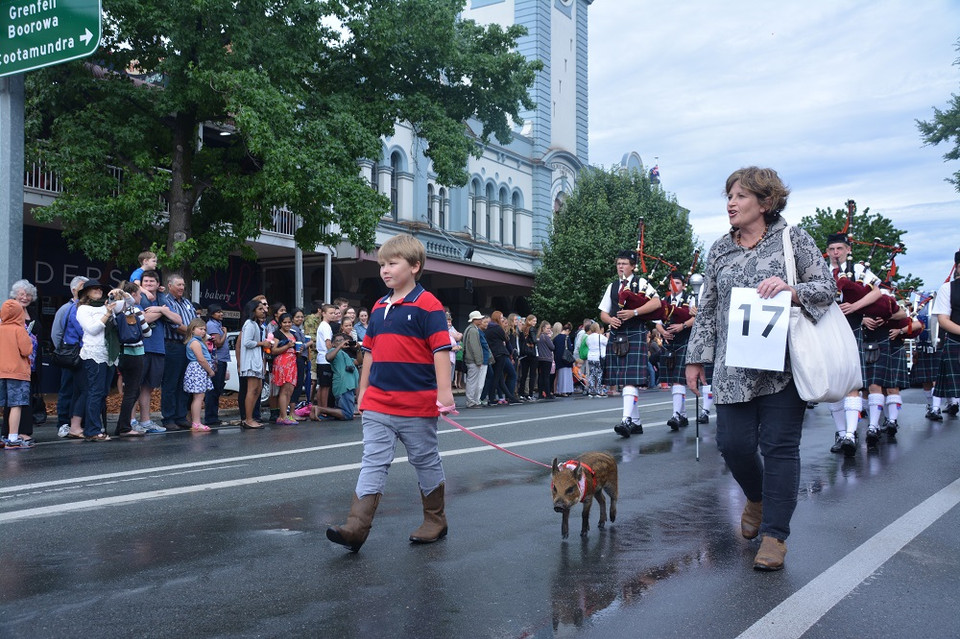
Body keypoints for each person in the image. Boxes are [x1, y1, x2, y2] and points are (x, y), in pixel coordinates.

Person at [685, 166, 834, 571]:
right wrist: (696, 358)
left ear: (766, 203)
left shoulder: (793, 239)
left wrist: (792, 290)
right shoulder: (719, 249)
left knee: (781, 449)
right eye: (729, 196)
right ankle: (757, 496)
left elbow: (826, 287)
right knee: (732, 445)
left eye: (740, 196)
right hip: (734, 367)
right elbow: (709, 308)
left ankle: (775, 538)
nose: (731, 203)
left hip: (783, 366)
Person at [327, 233, 454, 552]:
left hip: (417, 404)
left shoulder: (429, 305)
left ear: (414, 266)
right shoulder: (380, 307)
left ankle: (435, 520)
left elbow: (440, 350)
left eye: (392, 263)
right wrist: (363, 391)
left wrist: (445, 393)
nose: (384, 269)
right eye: (382, 264)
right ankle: (356, 527)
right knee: (373, 461)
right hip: (379, 404)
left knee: (425, 460)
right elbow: (368, 353)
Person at [598, 250, 661, 437]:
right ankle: (636, 422)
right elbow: (603, 312)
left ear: (633, 266)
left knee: (629, 381)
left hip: (635, 333)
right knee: (626, 381)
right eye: (618, 263)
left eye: (624, 263)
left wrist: (634, 313)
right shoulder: (612, 286)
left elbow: (656, 303)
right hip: (618, 335)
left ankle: (626, 420)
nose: (620, 267)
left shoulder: (641, 283)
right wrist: (610, 320)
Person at [68, 280, 121, 442]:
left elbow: (128, 304)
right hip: (94, 354)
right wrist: (106, 314)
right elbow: (92, 329)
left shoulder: (107, 305)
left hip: (109, 354)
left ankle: (97, 427)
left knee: (103, 392)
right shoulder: (83, 309)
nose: (98, 290)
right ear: (86, 293)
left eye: (100, 288)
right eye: (94, 288)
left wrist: (120, 293)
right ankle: (92, 429)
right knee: (95, 392)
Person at [136, 270, 179, 434]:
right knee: (135, 386)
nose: (148, 284)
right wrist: (162, 311)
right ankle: (131, 420)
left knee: (148, 387)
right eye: (145, 281)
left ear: (158, 284)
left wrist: (158, 310)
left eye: (151, 281)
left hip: (158, 348)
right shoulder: (137, 296)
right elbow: (143, 319)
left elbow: (178, 319)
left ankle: (145, 421)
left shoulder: (162, 297)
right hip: (141, 347)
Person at [656, 271, 698, 431]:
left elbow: (696, 317)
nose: (675, 286)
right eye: (672, 283)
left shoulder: (690, 298)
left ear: (683, 285)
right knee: (674, 379)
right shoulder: (663, 300)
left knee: (679, 380)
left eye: (678, 283)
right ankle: (683, 415)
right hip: (669, 343)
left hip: (684, 341)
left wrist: (683, 326)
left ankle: (676, 415)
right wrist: (663, 332)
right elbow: (657, 321)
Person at [113, 282, 152, 438]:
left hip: (121, 354)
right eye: (139, 294)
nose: (141, 296)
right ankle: (124, 427)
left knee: (128, 390)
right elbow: (147, 333)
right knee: (132, 391)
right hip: (135, 353)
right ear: (133, 294)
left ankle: (121, 425)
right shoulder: (135, 310)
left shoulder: (116, 309)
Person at [159, 273, 197, 430]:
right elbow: (175, 325)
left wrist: (195, 332)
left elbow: (196, 321)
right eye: (178, 285)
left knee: (184, 383)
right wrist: (194, 333)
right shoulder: (166, 302)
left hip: (188, 345)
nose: (182, 287)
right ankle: (168, 418)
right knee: (170, 383)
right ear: (169, 286)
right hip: (173, 345)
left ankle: (181, 416)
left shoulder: (187, 302)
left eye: (183, 285)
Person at [53, 275, 88, 437]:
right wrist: (64, 353)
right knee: (67, 388)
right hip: (70, 355)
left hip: (86, 355)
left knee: (82, 390)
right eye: (83, 287)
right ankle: (63, 423)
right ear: (74, 290)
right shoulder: (66, 309)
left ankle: (80, 423)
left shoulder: (88, 308)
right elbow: (56, 334)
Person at [0, 300, 36, 449]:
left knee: (2, 404)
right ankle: (13, 438)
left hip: (1, 371)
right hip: (17, 372)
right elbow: (26, 350)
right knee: (16, 405)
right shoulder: (19, 329)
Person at [931, 251, 960, 418]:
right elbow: (943, 320)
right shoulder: (947, 288)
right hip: (956, 343)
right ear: (956, 268)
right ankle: (937, 407)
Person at [315, 333, 360, 421]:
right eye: (338, 341)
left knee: (346, 412)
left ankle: (318, 410)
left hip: (349, 385)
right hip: (342, 385)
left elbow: (358, 362)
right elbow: (328, 357)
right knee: (347, 415)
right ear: (333, 344)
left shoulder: (344, 354)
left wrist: (358, 349)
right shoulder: (333, 350)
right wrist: (339, 347)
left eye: (342, 340)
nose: (341, 342)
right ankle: (320, 409)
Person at [182, 318, 215, 432]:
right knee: (198, 397)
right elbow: (201, 359)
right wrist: (210, 371)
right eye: (200, 329)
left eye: (204, 329)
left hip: (199, 370)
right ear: (192, 330)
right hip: (198, 369)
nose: (203, 332)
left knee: (199, 396)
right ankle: (196, 422)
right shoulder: (195, 343)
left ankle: (195, 421)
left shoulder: (198, 341)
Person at [485, 310, 521, 405]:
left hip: (493, 354)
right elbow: (506, 340)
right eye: (501, 318)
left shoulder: (488, 329)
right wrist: (511, 353)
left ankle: (507, 396)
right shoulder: (498, 328)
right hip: (501, 353)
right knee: (499, 377)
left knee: (499, 377)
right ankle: (497, 398)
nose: (502, 319)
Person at [203, 303, 230, 426]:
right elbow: (218, 343)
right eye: (218, 312)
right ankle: (211, 417)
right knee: (213, 390)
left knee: (218, 388)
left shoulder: (217, 324)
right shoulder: (212, 325)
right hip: (216, 360)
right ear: (212, 313)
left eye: (221, 311)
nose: (221, 314)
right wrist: (225, 333)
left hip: (222, 359)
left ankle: (214, 416)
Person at [270, 312, 298, 424]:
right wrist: (287, 346)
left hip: (292, 363)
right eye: (284, 322)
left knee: (290, 390)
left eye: (289, 322)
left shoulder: (293, 334)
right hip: (283, 363)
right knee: (284, 390)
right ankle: (282, 416)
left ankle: (285, 415)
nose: (287, 324)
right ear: (280, 323)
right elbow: (273, 350)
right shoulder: (277, 334)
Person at [311, 303, 338, 420]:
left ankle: (321, 408)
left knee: (322, 386)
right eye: (330, 313)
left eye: (333, 313)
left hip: (321, 359)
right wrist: (333, 350)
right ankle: (324, 409)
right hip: (325, 359)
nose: (332, 315)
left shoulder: (323, 325)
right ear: (323, 313)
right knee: (325, 387)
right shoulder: (326, 326)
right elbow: (328, 344)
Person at [461, 310, 487, 408]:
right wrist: (478, 360)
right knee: (472, 381)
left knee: (472, 380)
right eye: (479, 318)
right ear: (474, 320)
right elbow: (475, 346)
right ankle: (471, 401)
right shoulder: (473, 330)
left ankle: (472, 400)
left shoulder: (470, 329)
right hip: (472, 360)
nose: (481, 320)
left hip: (470, 359)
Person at [518, 314, 538, 400]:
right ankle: (530, 394)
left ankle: (521, 393)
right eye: (533, 321)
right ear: (529, 321)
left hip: (524, 354)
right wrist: (536, 341)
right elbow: (534, 340)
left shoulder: (523, 329)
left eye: (535, 321)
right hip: (532, 353)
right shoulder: (532, 329)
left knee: (524, 374)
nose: (535, 323)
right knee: (532, 374)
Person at [585, 322, 608, 397]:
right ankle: (599, 391)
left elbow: (588, 345)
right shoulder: (600, 337)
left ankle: (591, 390)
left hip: (590, 357)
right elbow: (607, 343)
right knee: (600, 374)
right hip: (598, 357)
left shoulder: (588, 337)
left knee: (592, 374)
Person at [553, 323, 575, 396]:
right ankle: (564, 391)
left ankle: (557, 390)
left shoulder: (556, 338)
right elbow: (570, 348)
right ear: (567, 330)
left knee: (559, 376)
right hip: (566, 359)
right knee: (566, 376)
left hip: (558, 359)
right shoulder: (566, 338)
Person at [536, 320, 555, 400]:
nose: (549, 330)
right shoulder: (546, 337)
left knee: (541, 376)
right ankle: (547, 393)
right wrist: (550, 338)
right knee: (546, 376)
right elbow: (552, 347)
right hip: (547, 358)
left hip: (540, 358)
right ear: (543, 328)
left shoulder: (539, 336)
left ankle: (540, 393)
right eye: (547, 328)